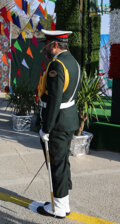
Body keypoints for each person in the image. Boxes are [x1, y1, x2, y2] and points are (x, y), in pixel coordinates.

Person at [37, 30, 81, 218]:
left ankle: (59, 207)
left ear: (55, 45)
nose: (45, 48)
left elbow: (55, 100)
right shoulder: (73, 62)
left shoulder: (57, 64)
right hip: (68, 119)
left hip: (58, 123)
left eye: (46, 44)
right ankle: (63, 202)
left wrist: (46, 128)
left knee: (56, 164)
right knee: (62, 163)